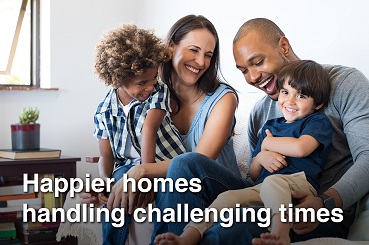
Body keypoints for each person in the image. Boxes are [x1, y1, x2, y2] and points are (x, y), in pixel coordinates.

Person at [194, 18, 369, 244]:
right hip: (266, 198)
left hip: (315, 210)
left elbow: (367, 157)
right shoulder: (260, 113)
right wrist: (261, 157)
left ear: (283, 47)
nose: (252, 77)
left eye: (257, 62)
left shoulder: (345, 83)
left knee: (228, 230)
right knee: (187, 165)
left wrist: (326, 203)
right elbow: (254, 179)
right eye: (243, 71)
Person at [82, 15, 244, 244]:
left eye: (208, 55)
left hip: (219, 188)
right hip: (174, 185)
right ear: (170, 48)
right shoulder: (149, 92)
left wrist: (142, 171)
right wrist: (109, 183)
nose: (200, 62)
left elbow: (198, 161)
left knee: (180, 168)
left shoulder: (223, 99)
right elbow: (127, 148)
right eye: (194, 50)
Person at [154, 60, 333, 245]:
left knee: (274, 181)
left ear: (318, 104)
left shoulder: (316, 122)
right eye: (285, 92)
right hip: (262, 188)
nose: (290, 101)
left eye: (301, 96)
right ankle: (188, 236)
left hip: (298, 186)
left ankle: (280, 233)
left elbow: (301, 148)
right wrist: (261, 156)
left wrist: (268, 143)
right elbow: (253, 174)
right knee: (226, 198)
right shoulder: (270, 126)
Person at [92, 23, 186, 244]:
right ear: (118, 79)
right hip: (128, 167)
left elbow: (148, 131)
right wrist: (105, 181)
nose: (150, 86)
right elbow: (107, 156)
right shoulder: (104, 111)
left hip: (164, 162)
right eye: (142, 82)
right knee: (117, 182)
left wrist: (147, 178)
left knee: (168, 190)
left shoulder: (158, 92)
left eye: (153, 79)